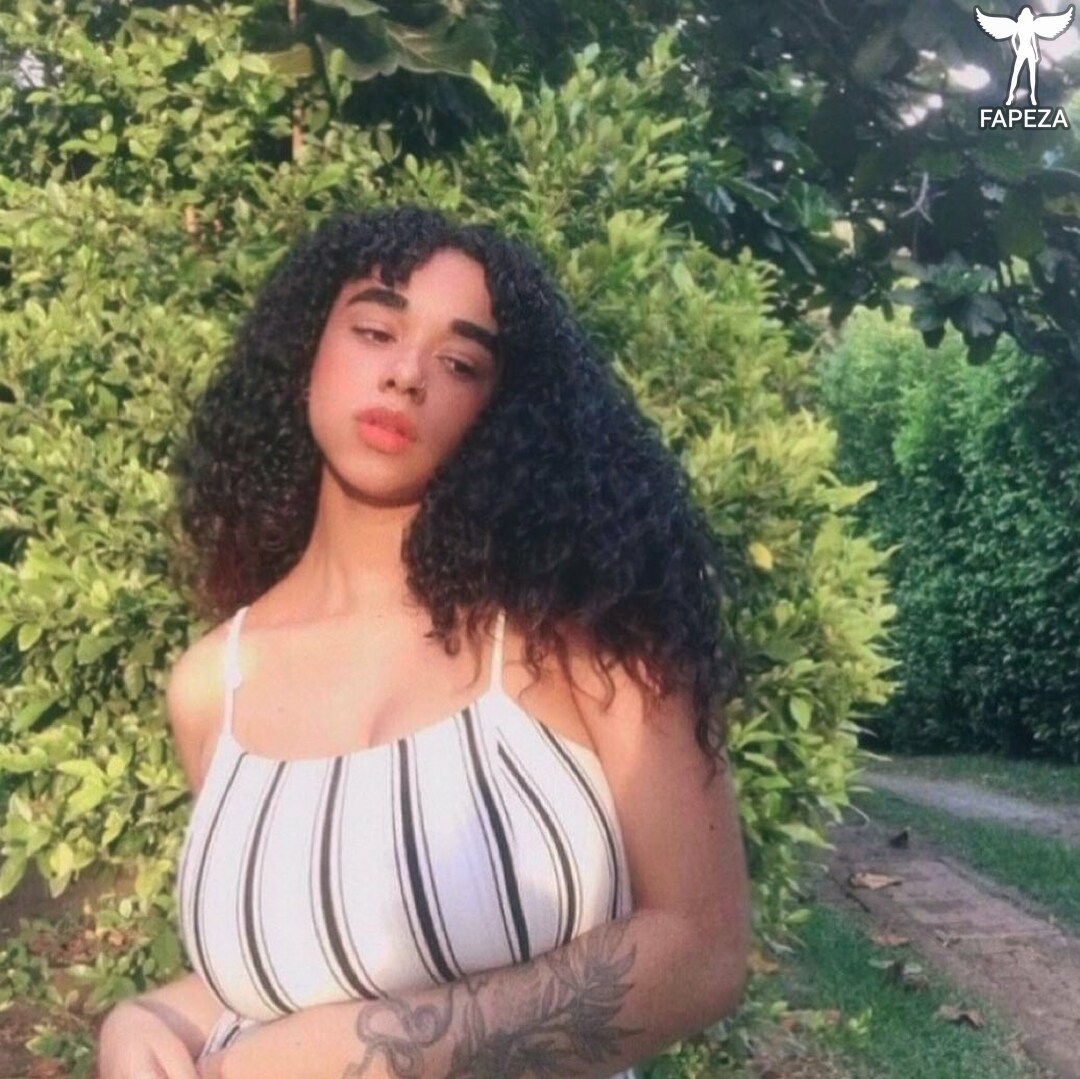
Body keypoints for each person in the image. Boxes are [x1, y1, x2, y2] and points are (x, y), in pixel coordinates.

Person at [95, 204, 751, 1079]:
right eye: (376, 330)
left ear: (501, 412)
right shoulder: (214, 683)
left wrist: (384, 1054)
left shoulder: (584, 627)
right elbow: (297, 966)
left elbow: (704, 950)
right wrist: (152, 1016)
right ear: (305, 351)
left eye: (460, 362)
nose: (407, 375)